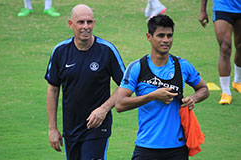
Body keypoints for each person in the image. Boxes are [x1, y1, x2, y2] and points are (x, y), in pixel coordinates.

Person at [115, 15, 209, 160]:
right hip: (146, 147)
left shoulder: (182, 66)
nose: (166, 40)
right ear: (149, 36)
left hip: (177, 148)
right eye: (160, 35)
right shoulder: (137, 67)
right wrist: (152, 96)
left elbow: (204, 89)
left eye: (169, 36)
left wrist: (193, 98)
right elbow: (120, 104)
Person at [44, 4, 125, 160]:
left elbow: (126, 84)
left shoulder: (106, 50)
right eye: (81, 22)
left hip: (97, 128)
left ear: (94, 23)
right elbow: (53, 90)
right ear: (70, 24)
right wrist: (52, 129)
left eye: (89, 22)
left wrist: (103, 109)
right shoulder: (60, 51)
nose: (86, 27)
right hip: (71, 129)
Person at [199, 0, 241, 104]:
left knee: (240, 46)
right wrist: (203, 10)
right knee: (225, 48)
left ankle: (237, 81)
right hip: (222, 7)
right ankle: (225, 92)